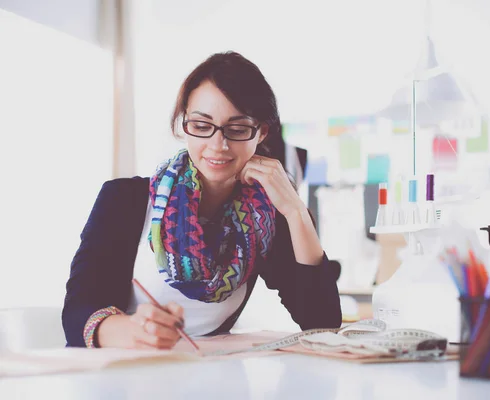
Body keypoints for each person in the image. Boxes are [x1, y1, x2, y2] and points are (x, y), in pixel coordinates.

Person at [62, 51, 342, 349]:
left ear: (261, 133)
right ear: (184, 124)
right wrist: (134, 330)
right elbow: (77, 315)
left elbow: (322, 323)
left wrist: (296, 212)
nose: (217, 145)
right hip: (123, 377)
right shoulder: (124, 199)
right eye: (201, 125)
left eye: (237, 129)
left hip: (210, 377)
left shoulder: (263, 219)